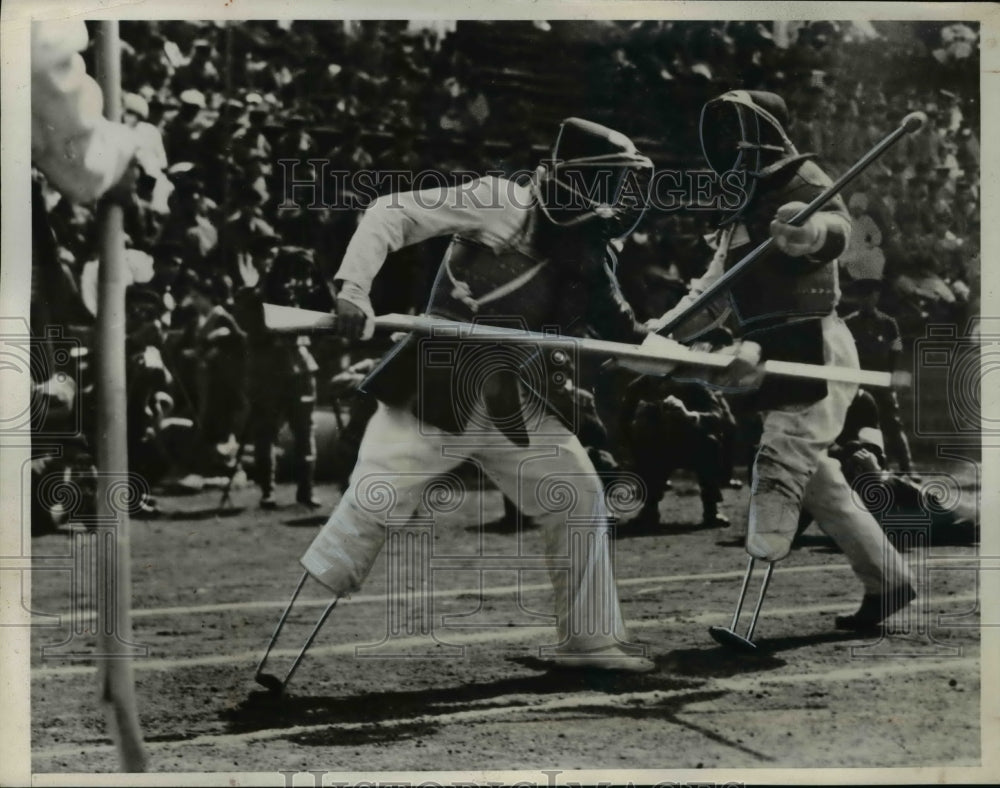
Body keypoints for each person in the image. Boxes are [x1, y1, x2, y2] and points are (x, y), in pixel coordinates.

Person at [270, 118, 670, 672]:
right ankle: (278, 654)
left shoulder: (585, 248)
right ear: (570, 179)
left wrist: (709, 363)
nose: (611, 202)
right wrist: (354, 288)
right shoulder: (498, 199)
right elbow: (392, 211)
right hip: (438, 385)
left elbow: (626, 335)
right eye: (603, 185)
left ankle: (588, 641)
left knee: (577, 496)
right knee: (371, 506)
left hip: (512, 400)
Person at [648, 91, 913, 631]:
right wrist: (658, 335)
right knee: (820, 483)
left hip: (813, 345)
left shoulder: (801, 183)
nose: (724, 145)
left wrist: (809, 232)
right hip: (772, 352)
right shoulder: (740, 213)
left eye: (733, 131)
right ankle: (890, 583)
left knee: (779, 466)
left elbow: (836, 232)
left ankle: (747, 617)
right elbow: (713, 295)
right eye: (716, 133)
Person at [233, 246, 331, 509]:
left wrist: (315, 277)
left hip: (300, 365)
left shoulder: (299, 292)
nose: (298, 281)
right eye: (293, 274)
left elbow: (327, 310)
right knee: (265, 433)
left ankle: (306, 491)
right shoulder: (253, 295)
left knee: (305, 431)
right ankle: (268, 491)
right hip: (268, 370)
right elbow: (253, 326)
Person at [843, 279, 916, 475]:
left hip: (882, 382)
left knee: (893, 424)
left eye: (872, 295)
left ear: (877, 297)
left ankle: (907, 468)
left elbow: (896, 351)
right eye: (864, 296)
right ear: (858, 298)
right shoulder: (848, 324)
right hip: (858, 384)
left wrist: (889, 377)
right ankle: (867, 468)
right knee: (857, 426)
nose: (868, 300)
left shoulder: (888, 323)